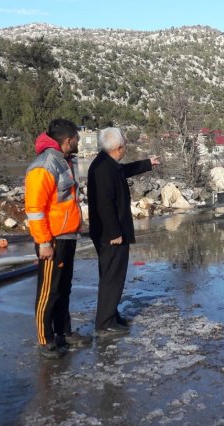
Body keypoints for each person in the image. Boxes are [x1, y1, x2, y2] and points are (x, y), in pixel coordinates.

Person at [25, 119, 92, 359]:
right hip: (52, 240)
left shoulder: (63, 161)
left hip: (67, 236)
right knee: (48, 291)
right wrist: (43, 242)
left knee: (64, 287)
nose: (79, 141)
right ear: (67, 141)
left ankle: (64, 333)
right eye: (77, 137)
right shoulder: (43, 167)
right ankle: (46, 340)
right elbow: (35, 209)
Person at [87, 127, 160, 335]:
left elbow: (123, 171)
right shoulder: (102, 168)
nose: (125, 148)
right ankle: (104, 323)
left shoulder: (107, 163)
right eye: (125, 145)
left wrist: (147, 164)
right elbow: (104, 205)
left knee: (113, 275)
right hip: (110, 234)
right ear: (119, 148)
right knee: (112, 276)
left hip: (112, 231)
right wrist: (114, 233)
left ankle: (110, 315)